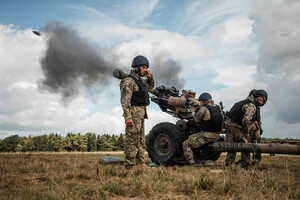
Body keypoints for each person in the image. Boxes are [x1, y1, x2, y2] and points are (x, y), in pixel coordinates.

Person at [119, 55, 155, 169]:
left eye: (146, 68)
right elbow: (125, 100)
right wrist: (127, 117)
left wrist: (150, 77)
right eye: (143, 67)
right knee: (132, 139)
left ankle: (140, 163)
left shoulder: (140, 81)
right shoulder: (128, 81)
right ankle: (130, 164)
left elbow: (150, 86)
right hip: (133, 114)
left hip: (141, 114)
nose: (145, 70)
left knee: (140, 140)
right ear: (137, 67)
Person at [225, 89, 268, 168]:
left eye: (263, 100)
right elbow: (246, 121)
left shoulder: (245, 103)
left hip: (229, 126)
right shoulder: (251, 106)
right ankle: (245, 163)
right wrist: (247, 132)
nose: (261, 101)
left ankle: (230, 164)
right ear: (255, 97)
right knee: (245, 145)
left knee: (231, 146)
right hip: (235, 126)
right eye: (260, 99)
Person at [182, 92, 224, 165]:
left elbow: (196, 120)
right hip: (217, 135)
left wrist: (196, 110)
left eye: (200, 101)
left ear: (203, 100)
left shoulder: (204, 108)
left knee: (186, 144)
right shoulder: (218, 108)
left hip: (206, 135)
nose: (199, 103)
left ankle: (192, 163)